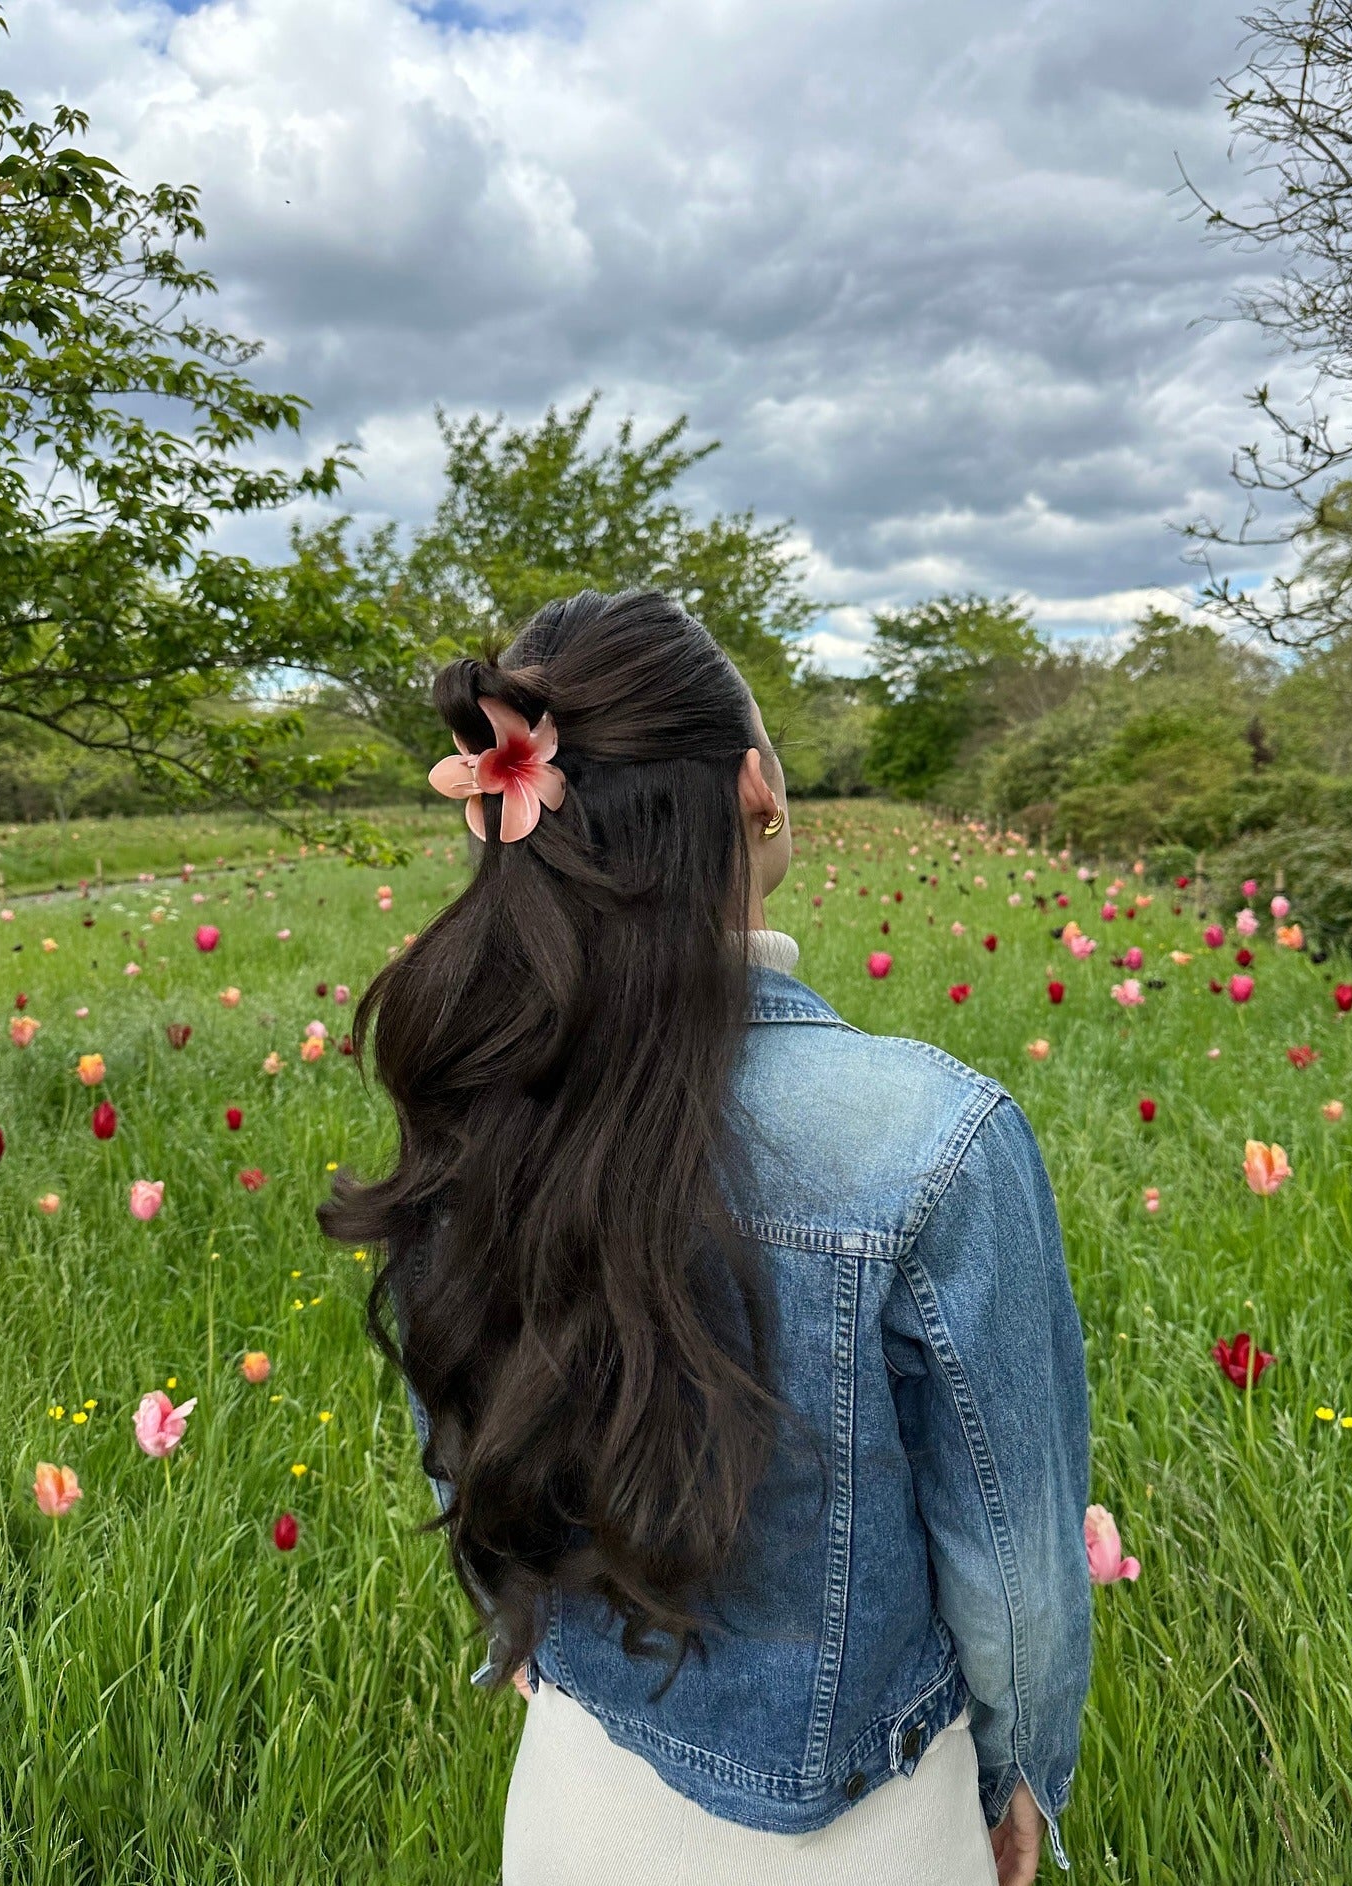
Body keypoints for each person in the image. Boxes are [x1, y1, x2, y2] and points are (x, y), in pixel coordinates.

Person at [318, 589, 1091, 1886]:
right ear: (755, 789)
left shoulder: (483, 1098)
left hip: (575, 1802)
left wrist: (522, 1631)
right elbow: (1016, 1572)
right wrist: (1022, 1775)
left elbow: (456, 1427)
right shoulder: (937, 1136)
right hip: (871, 1829)